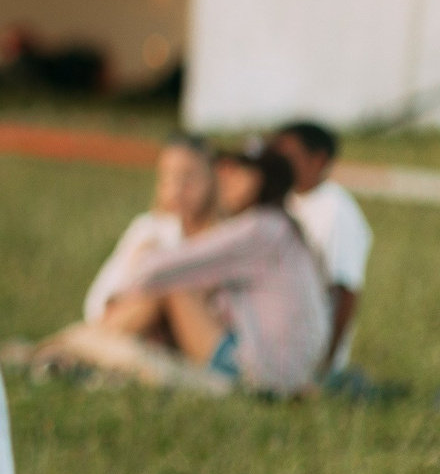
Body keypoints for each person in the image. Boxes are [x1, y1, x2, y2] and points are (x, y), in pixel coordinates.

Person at [88, 140, 330, 396]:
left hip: (263, 376)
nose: (225, 181)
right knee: (178, 291)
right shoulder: (281, 227)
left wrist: (127, 286)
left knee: (171, 288)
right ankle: (88, 348)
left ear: (263, 180)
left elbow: (160, 268)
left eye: (238, 173)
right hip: (284, 371)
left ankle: (84, 348)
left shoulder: (260, 230)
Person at [81, 134, 218, 323]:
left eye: (188, 177)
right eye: (168, 178)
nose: (176, 190)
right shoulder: (150, 229)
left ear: (212, 177)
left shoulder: (225, 235)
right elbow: (101, 300)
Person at [274, 120, 371, 375]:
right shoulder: (282, 200)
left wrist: (326, 363)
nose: (279, 164)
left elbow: (346, 291)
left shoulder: (337, 210)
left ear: (318, 159)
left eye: (289, 156)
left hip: (311, 342)